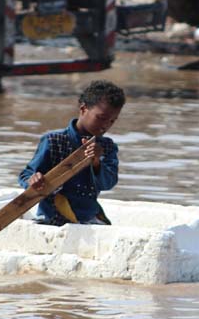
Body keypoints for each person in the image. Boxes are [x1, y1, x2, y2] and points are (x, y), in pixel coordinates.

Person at [18, 80, 125, 226]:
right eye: (101, 118)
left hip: (89, 216)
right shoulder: (53, 140)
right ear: (83, 109)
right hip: (53, 218)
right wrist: (33, 180)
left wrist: (96, 162)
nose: (105, 125)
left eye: (112, 121)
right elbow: (26, 175)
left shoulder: (107, 147)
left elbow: (108, 183)